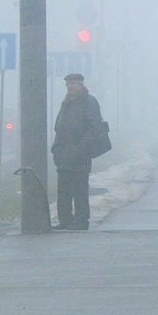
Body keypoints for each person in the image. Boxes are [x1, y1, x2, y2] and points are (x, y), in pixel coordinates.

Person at [51, 72, 104, 231]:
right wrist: (57, 148)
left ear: (81, 84)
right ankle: (65, 220)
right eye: (67, 84)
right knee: (63, 191)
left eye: (72, 83)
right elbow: (58, 127)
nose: (69, 86)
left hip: (81, 154)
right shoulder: (66, 103)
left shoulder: (89, 102)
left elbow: (95, 128)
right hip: (63, 153)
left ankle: (82, 221)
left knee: (80, 190)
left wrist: (81, 148)